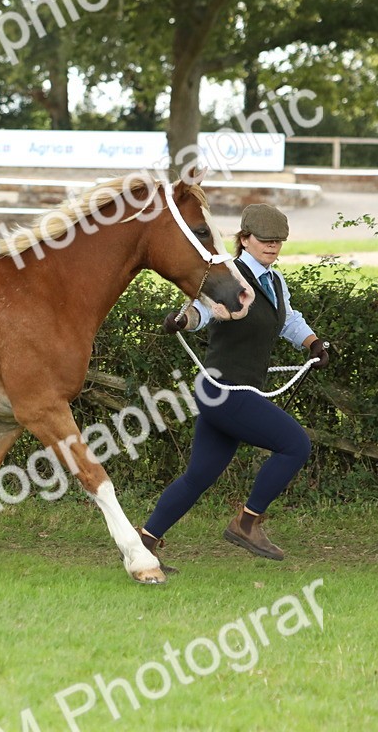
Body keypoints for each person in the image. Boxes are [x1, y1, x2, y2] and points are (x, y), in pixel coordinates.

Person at [140, 204, 331, 572]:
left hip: (237, 391)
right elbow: (203, 311)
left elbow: (288, 319)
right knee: (295, 445)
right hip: (225, 389)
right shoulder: (231, 278)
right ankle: (246, 523)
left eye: (278, 242)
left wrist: (313, 343)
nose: (273, 247)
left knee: (199, 475)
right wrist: (184, 319)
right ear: (244, 240)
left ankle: (143, 543)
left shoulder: (275, 282)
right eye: (265, 240)